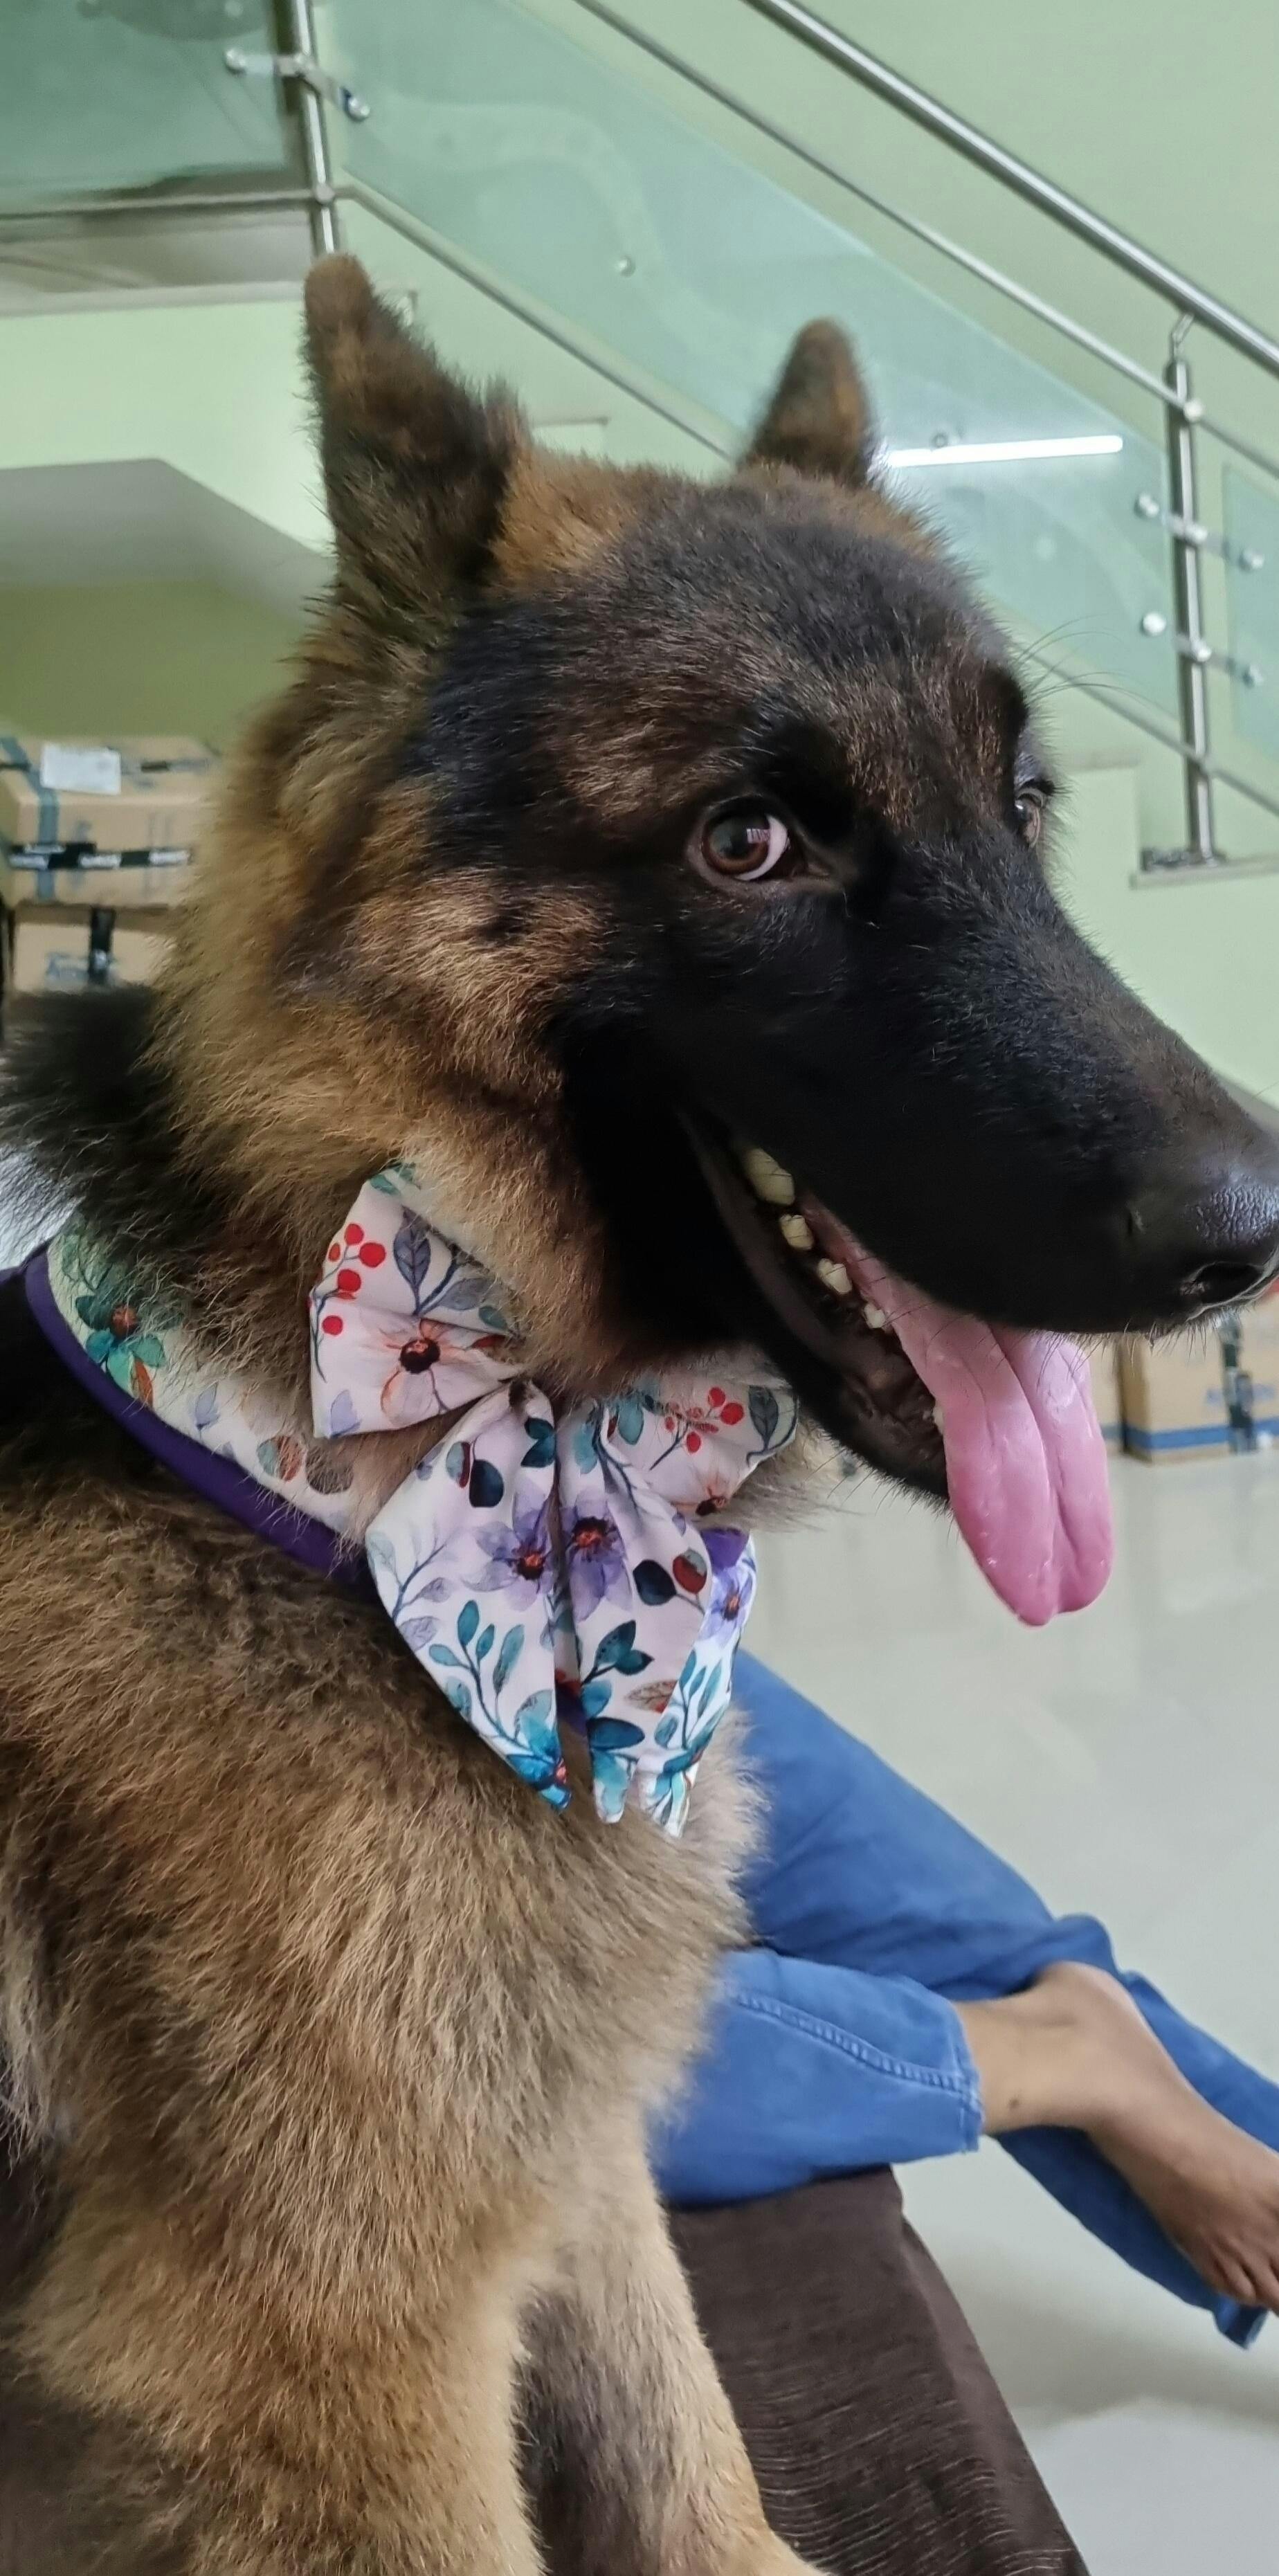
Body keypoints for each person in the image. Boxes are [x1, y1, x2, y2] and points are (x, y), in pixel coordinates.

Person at [655, 1655, 1279, 2346]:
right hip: (618, 1626)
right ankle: (1052, 2053)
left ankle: (1050, 2054)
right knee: (982, 1951)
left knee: (585, 2075)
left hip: (607, 1640)